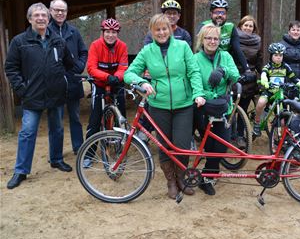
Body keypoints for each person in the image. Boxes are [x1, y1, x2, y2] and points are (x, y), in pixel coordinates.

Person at [124, 14, 205, 199]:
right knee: (164, 144)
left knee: (181, 144)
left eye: (164, 28)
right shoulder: (147, 51)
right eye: (157, 29)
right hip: (158, 105)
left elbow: (194, 71)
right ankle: (170, 181)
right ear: (152, 32)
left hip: (183, 104)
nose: (161, 32)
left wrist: (198, 93)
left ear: (170, 29)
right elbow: (129, 73)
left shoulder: (183, 46)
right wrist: (141, 82)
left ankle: (182, 178)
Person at [4, 3, 74, 189]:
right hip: (32, 96)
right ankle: (21, 170)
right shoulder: (19, 42)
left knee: (57, 129)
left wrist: (61, 80)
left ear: (48, 18)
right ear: (30, 19)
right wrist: (22, 88)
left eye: (44, 15)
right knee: (27, 132)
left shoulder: (58, 41)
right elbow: (10, 68)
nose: (41, 18)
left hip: (55, 94)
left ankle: (56, 159)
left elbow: (68, 63)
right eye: (37, 15)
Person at [194, 23, 240, 195]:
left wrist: (223, 70)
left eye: (215, 38)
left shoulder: (225, 56)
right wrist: (207, 95)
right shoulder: (196, 59)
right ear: (202, 39)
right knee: (209, 144)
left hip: (223, 107)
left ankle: (208, 173)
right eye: (208, 38)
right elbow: (195, 83)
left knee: (221, 145)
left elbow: (235, 75)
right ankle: (207, 177)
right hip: (203, 106)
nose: (212, 41)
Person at [84, 18, 128, 167]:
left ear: (117, 33)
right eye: (107, 32)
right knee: (95, 119)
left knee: (121, 116)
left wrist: (117, 77)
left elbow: (123, 66)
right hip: (100, 83)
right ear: (103, 32)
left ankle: (121, 148)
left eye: (113, 32)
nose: (110, 35)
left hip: (116, 82)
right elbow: (91, 68)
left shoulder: (122, 46)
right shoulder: (95, 45)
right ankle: (89, 154)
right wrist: (106, 77)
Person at [49, 0, 88, 155]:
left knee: (75, 117)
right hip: (54, 82)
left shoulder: (73, 32)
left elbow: (84, 52)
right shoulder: (46, 31)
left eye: (63, 10)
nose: (60, 13)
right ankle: (56, 154)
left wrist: (78, 67)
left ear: (66, 12)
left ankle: (78, 147)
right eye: (57, 10)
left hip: (73, 80)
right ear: (50, 11)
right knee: (56, 120)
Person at [252, 43, 300, 137]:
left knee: (282, 117)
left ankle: (279, 136)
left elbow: (293, 77)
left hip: (281, 93)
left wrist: (299, 82)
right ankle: (257, 122)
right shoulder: (268, 66)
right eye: (276, 55)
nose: (278, 57)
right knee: (260, 103)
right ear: (271, 56)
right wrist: (264, 78)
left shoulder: (286, 66)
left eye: (280, 55)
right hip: (269, 91)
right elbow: (264, 73)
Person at [197, 0, 251, 75]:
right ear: (211, 14)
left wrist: (247, 68)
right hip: (206, 62)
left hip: (225, 63)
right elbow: (198, 48)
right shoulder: (204, 26)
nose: (220, 15)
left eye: (223, 13)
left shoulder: (230, 27)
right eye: (217, 12)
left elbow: (237, 49)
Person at [236, 15, 263, 146]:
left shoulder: (257, 41)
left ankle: (240, 135)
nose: (248, 28)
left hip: (250, 79)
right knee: (231, 108)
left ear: (254, 29)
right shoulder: (233, 39)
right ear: (240, 26)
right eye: (245, 25)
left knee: (243, 109)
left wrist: (263, 74)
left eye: (250, 26)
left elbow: (259, 61)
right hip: (235, 76)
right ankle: (229, 134)